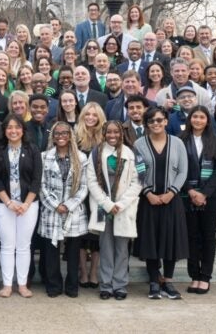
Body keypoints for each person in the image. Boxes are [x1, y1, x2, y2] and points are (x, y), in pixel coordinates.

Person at [134, 106, 189, 300]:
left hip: (171, 200)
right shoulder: (139, 144)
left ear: (166, 121)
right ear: (146, 124)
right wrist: (148, 193)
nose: (156, 124)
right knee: (150, 241)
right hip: (148, 200)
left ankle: (168, 280)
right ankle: (153, 281)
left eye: (159, 120)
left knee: (170, 241)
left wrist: (171, 192)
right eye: (151, 121)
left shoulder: (177, 143)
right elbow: (137, 171)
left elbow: (183, 170)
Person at [87, 120, 142, 301]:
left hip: (123, 208)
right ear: (103, 133)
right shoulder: (96, 153)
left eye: (116, 132)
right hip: (104, 207)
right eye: (108, 132)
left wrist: (121, 204)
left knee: (122, 248)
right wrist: (107, 204)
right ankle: (106, 285)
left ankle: (120, 285)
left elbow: (137, 181)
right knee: (106, 247)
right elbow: (92, 181)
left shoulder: (130, 153)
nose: (112, 135)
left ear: (121, 133)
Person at [178, 106, 216, 294]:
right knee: (192, 237)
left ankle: (205, 276)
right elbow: (178, 168)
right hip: (186, 195)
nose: (198, 120)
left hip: (211, 197)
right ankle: (194, 275)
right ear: (190, 119)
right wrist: (190, 191)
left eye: (202, 117)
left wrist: (204, 193)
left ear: (207, 120)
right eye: (195, 117)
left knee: (208, 237)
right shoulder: (181, 140)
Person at [37, 121, 87, 298]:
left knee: (72, 252)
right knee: (51, 251)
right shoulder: (44, 157)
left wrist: (69, 205)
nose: (61, 137)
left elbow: (84, 186)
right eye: (57, 134)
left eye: (65, 133)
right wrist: (55, 205)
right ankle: (54, 285)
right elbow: (41, 185)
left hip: (73, 211)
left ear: (70, 135)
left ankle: (72, 286)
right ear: (52, 136)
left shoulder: (81, 158)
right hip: (52, 210)